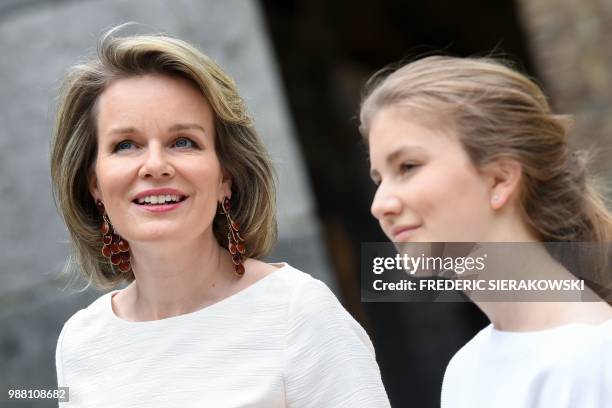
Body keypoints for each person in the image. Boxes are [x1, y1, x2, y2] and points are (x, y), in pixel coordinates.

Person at [51, 27, 390, 408]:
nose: (155, 165)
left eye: (184, 142)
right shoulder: (80, 343)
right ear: (94, 183)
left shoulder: (298, 312)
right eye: (125, 145)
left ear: (225, 176)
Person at [359, 56, 612, 407]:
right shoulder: (466, 369)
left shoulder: (595, 359)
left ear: (500, 178)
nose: (380, 203)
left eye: (408, 166)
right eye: (378, 178)